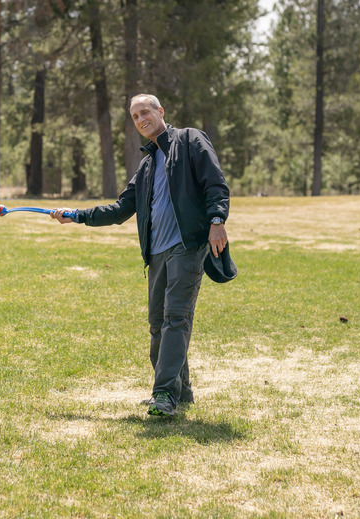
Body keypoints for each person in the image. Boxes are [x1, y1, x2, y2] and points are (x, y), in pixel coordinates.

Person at [51, 94, 231, 417]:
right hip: (157, 254)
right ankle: (182, 391)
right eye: (134, 116)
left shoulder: (190, 140)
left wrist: (217, 220)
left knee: (176, 316)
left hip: (188, 246)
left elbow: (215, 183)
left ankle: (164, 394)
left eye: (145, 112)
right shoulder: (147, 164)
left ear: (161, 111)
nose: (140, 119)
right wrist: (76, 215)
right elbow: (120, 209)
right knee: (158, 324)